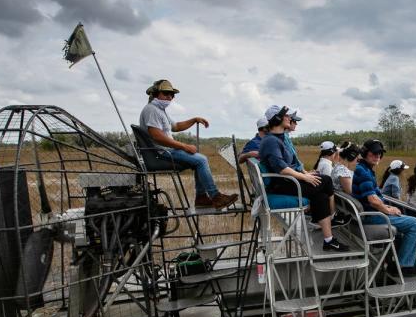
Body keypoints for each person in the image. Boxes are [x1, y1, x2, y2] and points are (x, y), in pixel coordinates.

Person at [259, 105, 349, 252]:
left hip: (286, 181)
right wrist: (304, 177)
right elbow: (281, 168)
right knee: (325, 180)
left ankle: (328, 240)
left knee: (319, 194)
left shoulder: (278, 138)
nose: (289, 118)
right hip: (281, 184)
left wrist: (305, 174)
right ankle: (333, 216)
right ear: (277, 119)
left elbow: (291, 164)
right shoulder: (271, 141)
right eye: (286, 115)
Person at [139, 79, 238, 209]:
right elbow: (157, 136)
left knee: (198, 160)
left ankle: (201, 198)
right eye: (166, 93)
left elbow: (176, 126)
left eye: (172, 95)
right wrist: (184, 146)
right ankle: (216, 197)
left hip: (165, 151)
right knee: (201, 160)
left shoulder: (160, 110)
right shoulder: (151, 110)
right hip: (161, 153)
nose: (169, 97)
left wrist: (194, 119)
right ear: (156, 94)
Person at [352, 139, 416, 276]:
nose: (378, 156)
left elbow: (375, 197)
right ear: (365, 153)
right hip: (371, 217)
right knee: (415, 224)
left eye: (380, 153)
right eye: (374, 153)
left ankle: (395, 261)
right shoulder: (364, 172)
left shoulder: (364, 169)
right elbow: (372, 200)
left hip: (369, 214)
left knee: (404, 224)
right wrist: (388, 210)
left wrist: (387, 207)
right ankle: (403, 266)